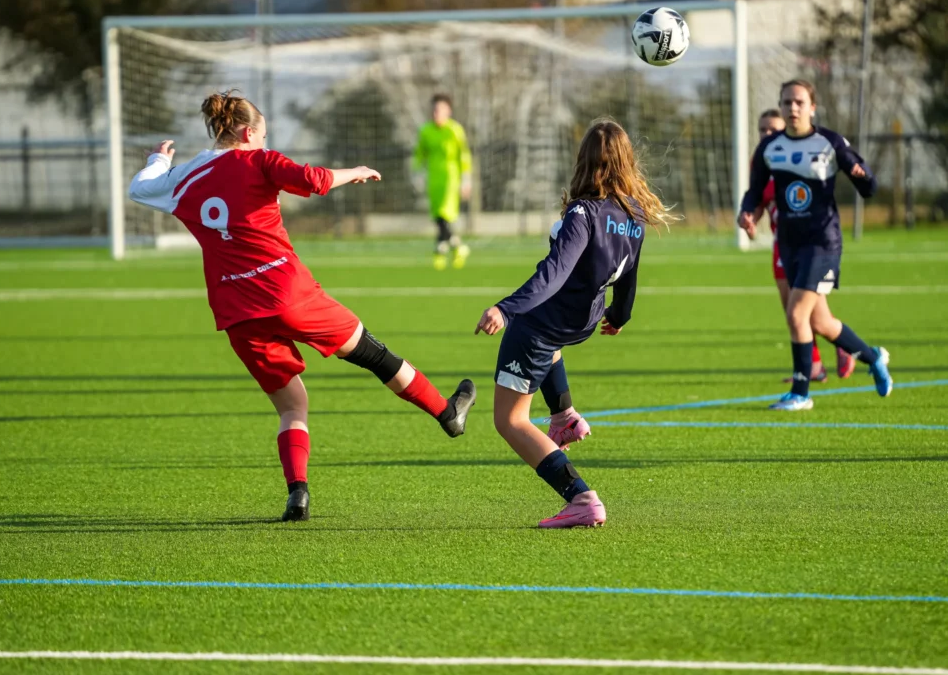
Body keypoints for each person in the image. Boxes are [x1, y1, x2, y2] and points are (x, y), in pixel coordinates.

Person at [129, 91, 476, 521]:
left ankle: (298, 495)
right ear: (248, 132)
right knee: (373, 354)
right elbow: (314, 179)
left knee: (292, 407)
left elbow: (139, 189)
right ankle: (446, 412)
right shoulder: (259, 160)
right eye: (263, 134)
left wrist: (158, 160)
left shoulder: (185, 177)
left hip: (237, 311)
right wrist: (356, 172)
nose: (265, 141)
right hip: (288, 293)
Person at [475, 118, 674, 528]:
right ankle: (564, 416)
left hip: (541, 325)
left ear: (585, 161)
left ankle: (581, 497)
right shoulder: (633, 214)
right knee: (550, 344)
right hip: (582, 320)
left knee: (510, 421)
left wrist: (506, 309)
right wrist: (619, 315)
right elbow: (630, 277)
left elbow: (554, 271)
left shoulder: (584, 212)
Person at [738, 80, 892, 411]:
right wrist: (747, 212)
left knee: (796, 314)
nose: (792, 108)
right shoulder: (769, 148)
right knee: (821, 323)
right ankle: (873, 357)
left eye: (799, 102)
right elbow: (755, 191)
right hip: (789, 243)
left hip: (822, 242)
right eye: (786, 102)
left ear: (812, 107)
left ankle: (801, 392)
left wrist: (861, 174)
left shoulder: (829, 142)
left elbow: (869, 188)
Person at [754, 108, 855, 382]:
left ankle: (851, 349)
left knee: (810, 316)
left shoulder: (797, 159)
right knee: (795, 313)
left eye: (773, 129)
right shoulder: (763, 161)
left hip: (809, 245)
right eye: (762, 129)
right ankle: (815, 366)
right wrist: (751, 217)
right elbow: (759, 199)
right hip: (782, 245)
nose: (767, 134)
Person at [412, 93, 473, 270]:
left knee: (445, 214)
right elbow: (419, 154)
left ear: (448, 111)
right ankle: (457, 246)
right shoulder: (426, 130)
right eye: (434, 110)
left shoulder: (454, 130)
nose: (436, 113)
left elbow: (464, 155)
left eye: (439, 110)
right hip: (433, 178)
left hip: (451, 178)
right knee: (438, 216)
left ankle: (439, 250)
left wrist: (466, 179)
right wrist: (417, 174)